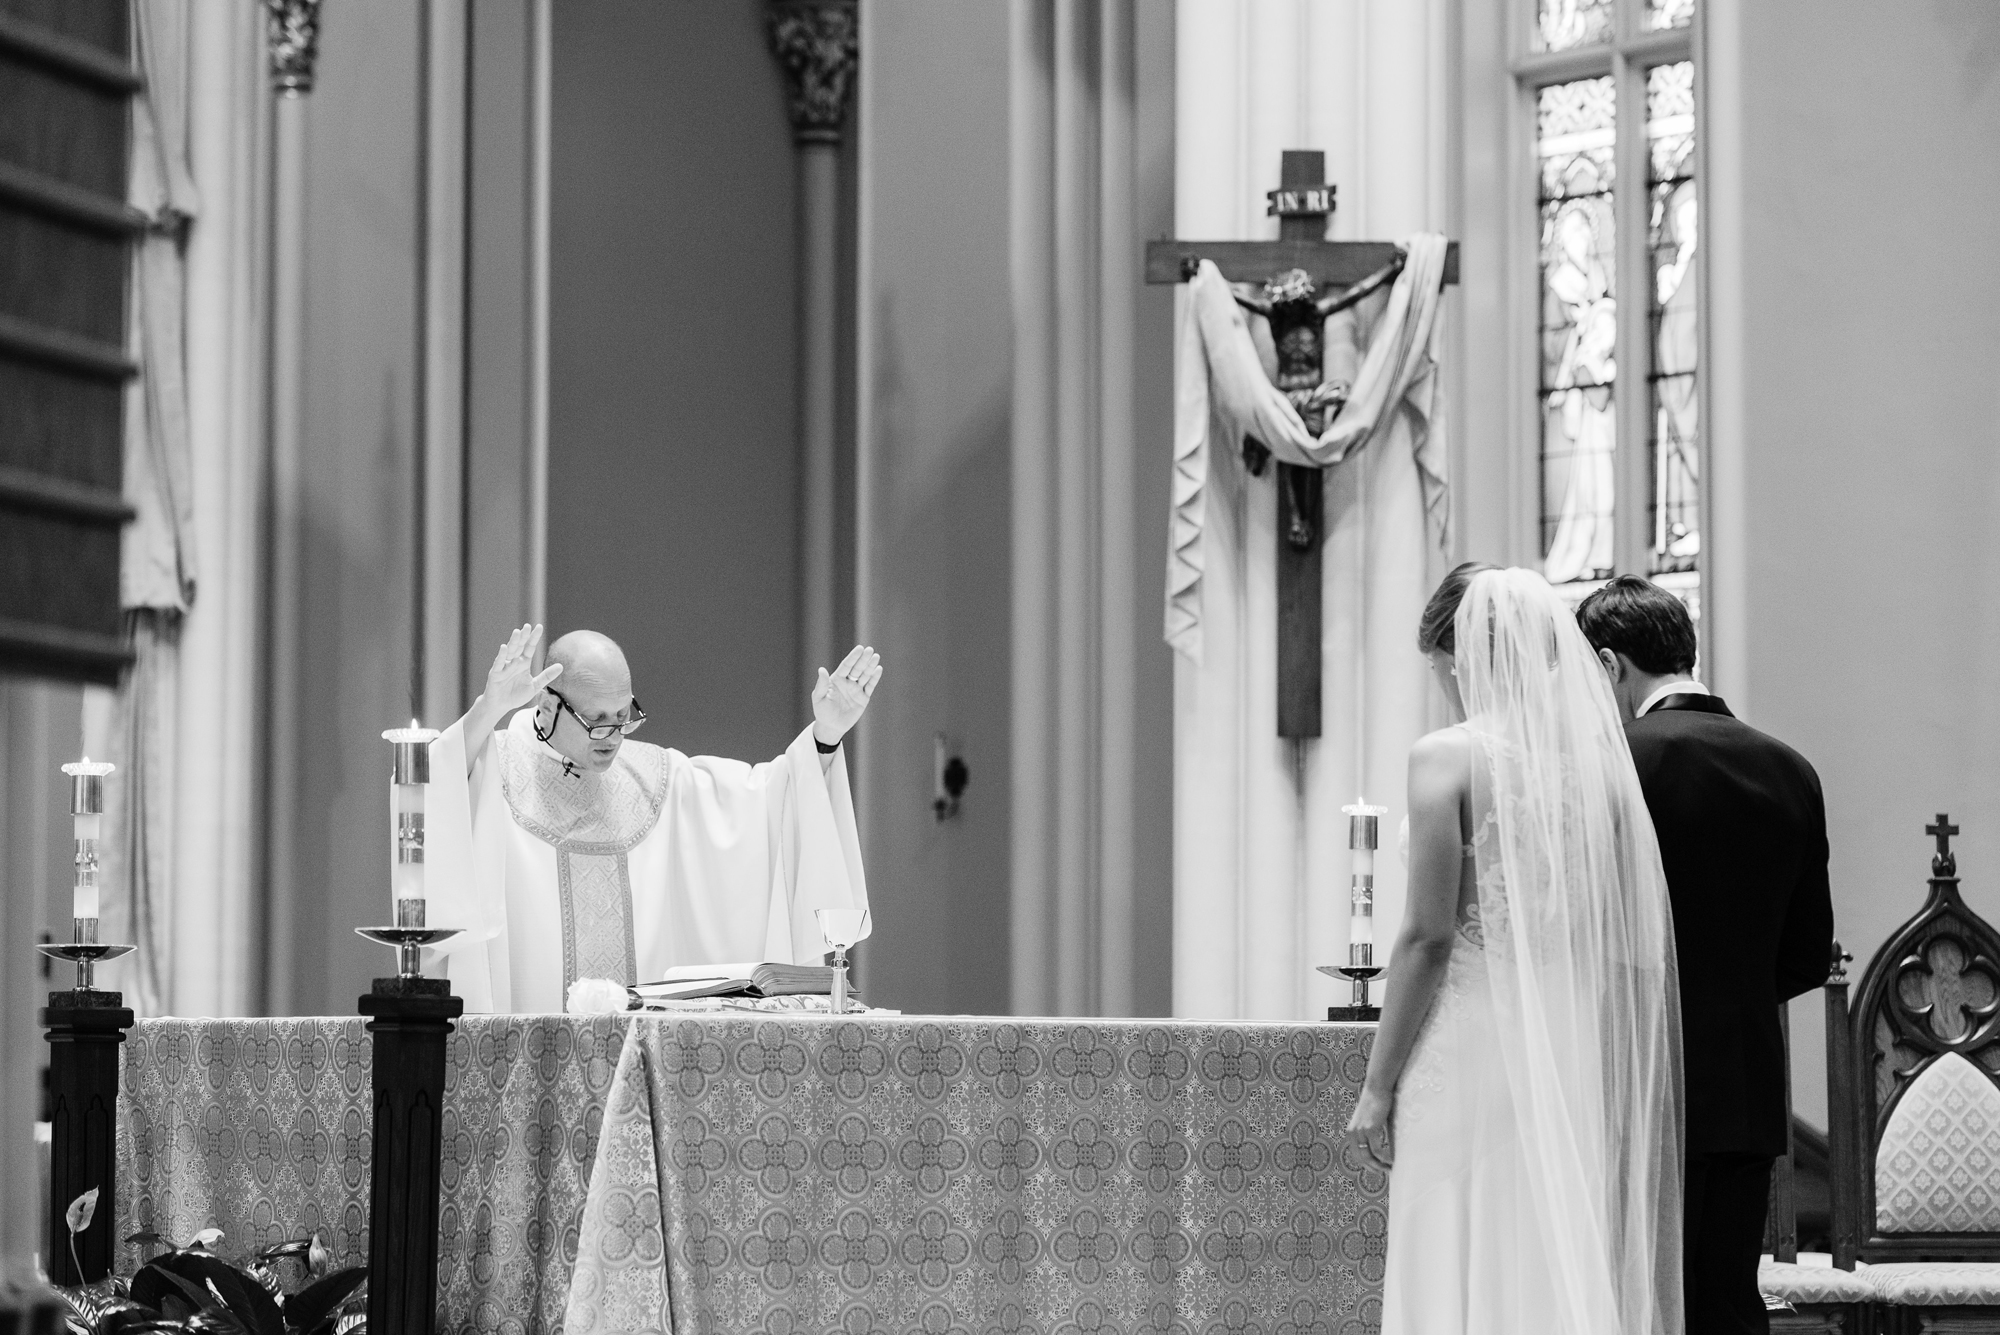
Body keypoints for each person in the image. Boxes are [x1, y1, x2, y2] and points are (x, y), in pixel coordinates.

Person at [1347, 563, 1684, 1335]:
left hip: (1466, 1040)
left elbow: (1427, 937)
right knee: (1542, 1232)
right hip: (1565, 1040)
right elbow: (1616, 936)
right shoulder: (1598, 771)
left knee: (1453, 1231)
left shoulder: (1446, 756)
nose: (1441, 685)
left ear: (1459, 655)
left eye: (1437, 668)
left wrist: (1376, 1084)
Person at [1577, 575, 1833, 1335]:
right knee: (1724, 1298)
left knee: (1640, 1297)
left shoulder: (1618, 762)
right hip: (1746, 1087)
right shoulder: (1790, 767)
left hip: (1634, 1076)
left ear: (1610, 664)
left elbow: (1586, 928)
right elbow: (1807, 954)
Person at [423, 624, 883, 1012]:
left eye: (624, 717)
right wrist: (488, 709)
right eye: (597, 721)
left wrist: (826, 735)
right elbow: (433, 786)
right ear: (547, 704)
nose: (612, 737)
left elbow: (766, 804)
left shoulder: (655, 779)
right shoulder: (493, 770)